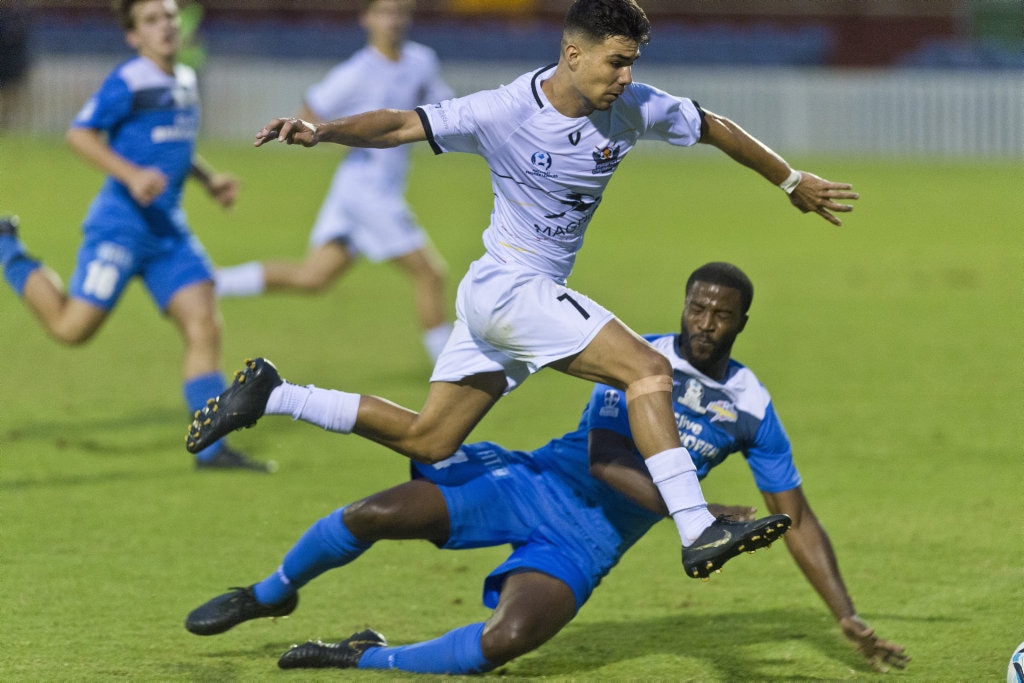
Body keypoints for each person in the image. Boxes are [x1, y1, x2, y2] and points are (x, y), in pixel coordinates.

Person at [189, 0, 860, 567]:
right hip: (512, 289)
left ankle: (276, 393)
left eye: (633, 63)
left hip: (500, 300)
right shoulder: (504, 110)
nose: (627, 77)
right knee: (649, 369)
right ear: (573, 53)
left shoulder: (635, 106)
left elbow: (713, 125)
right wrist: (321, 130)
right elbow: (401, 122)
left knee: (430, 440)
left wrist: (791, 181)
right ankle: (696, 527)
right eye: (615, 62)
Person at [183, 262, 909, 675]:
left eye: (720, 315)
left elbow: (799, 518)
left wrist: (845, 615)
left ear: (742, 324)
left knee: (502, 645)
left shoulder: (751, 404)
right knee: (376, 513)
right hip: (532, 484)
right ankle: (268, 592)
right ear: (683, 304)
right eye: (696, 306)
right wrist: (701, 514)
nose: (704, 322)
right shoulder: (639, 358)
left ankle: (362, 656)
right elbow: (604, 458)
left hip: (585, 546)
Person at [0, 0, 270, 471]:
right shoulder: (129, 80)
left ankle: (210, 450)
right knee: (71, 329)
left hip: (168, 230)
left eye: (168, 16)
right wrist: (130, 175)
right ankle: (7, 246)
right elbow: (80, 135)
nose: (165, 26)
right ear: (133, 36)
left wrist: (209, 181)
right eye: (151, 20)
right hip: (121, 228)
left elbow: (172, 148)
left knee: (204, 322)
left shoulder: (184, 79)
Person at [214, 0, 454, 363]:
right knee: (430, 274)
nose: (392, 21)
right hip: (366, 192)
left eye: (399, 12)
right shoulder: (356, 72)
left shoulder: (422, 61)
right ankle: (453, 368)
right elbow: (309, 114)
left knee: (314, 277)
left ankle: (212, 283)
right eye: (384, 13)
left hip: (365, 189)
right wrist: (347, 137)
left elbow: (441, 105)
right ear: (367, 19)